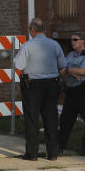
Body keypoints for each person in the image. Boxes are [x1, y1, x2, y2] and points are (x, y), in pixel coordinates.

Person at [14, 17, 66, 160]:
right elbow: (62, 64)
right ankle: (53, 153)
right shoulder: (55, 44)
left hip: (33, 85)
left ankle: (32, 153)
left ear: (32, 30)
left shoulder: (27, 46)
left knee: (32, 118)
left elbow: (18, 65)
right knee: (51, 118)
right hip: (52, 83)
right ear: (44, 30)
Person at [59, 31, 85, 156]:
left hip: (84, 92)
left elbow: (83, 70)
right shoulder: (70, 55)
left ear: (82, 41)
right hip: (71, 92)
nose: (72, 42)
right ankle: (59, 147)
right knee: (65, 121)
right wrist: (71, 73)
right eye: (71, 39)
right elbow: (60, 70)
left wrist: (69, 70)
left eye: (75, 39)